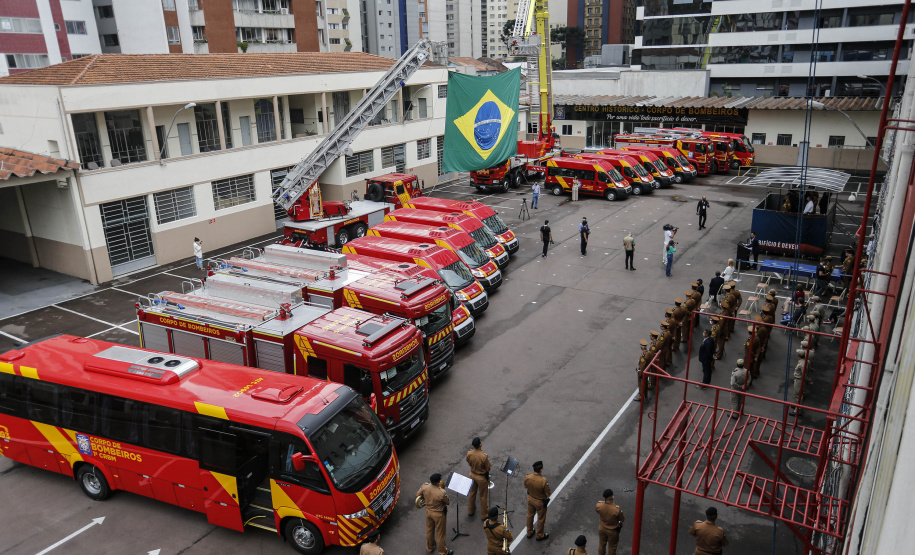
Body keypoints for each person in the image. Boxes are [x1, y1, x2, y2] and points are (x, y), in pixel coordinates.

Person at [416, 473, 453, 555]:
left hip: (428, 512)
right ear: (437, 482)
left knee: (429, 530)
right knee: (440, 534)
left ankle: (430, 547)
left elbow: (418, 494)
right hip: (439, 515)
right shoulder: (442, 492)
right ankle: (443, 552)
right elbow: (448, 502)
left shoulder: (425, 486)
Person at [524, 461, 551, 541]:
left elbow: (525, 486)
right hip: (539, 502)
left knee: (530, 515)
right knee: (541, 518)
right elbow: (548, 493)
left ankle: (529, 532)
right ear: (541, 470)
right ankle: (539, 535)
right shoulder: (543, 481)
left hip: (530, 498)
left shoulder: (528, 477)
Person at [466, 437, 492, 518]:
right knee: (483, 496)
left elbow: (468, 461)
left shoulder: (469, 453)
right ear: (480, 444)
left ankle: (471, 510)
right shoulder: (483, 456)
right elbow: (488, 468)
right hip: (481, 477)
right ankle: (484, 514)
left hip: (472, 474)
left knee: (472, 493)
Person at [595, 489, 624, 555]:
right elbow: (622, 519)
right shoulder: (616, 509)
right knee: (612, 547)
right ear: (612, 497)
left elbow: (597, 510)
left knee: (602, 544)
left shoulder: (599, 505)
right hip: (612, 530)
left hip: (602, 528)